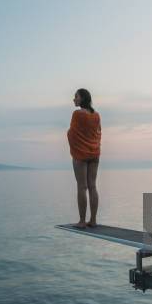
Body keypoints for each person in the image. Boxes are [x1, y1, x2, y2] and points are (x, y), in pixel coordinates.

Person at [67, 88, 101, 229]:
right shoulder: (96, 115)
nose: (74, 99)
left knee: (82, 187)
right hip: (94, 153)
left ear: (83, 99)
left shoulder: (77, 114)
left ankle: (82, 221)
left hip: (80, 154)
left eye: (76, 97)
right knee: (92, 186)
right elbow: (98, 133)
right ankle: (93, 220)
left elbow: (72, 133)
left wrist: (76, 146)